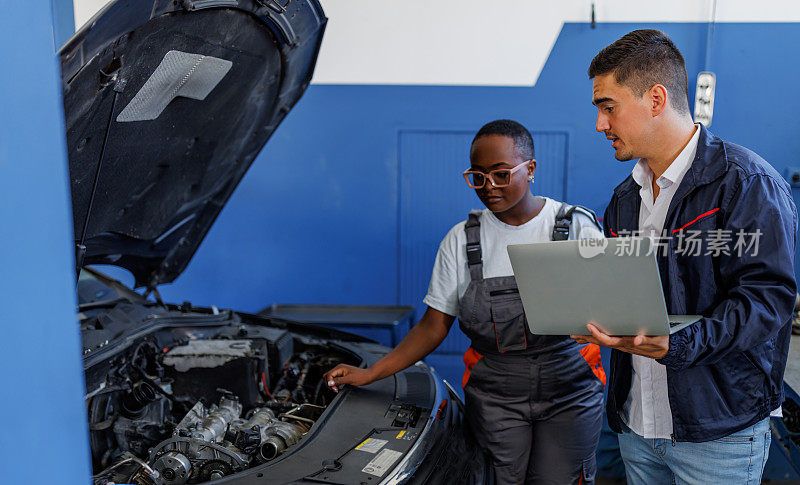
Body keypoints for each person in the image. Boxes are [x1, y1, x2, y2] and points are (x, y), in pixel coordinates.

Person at [324, 119, 607, 484]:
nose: (489, 187)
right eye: (478, 176)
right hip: (495, 395)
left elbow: (611, 309)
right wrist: (371, 373)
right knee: (497, 478)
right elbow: (433, 326)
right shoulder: (461, 241)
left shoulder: (577, 228)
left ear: (531, 169)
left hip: (570, 388)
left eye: (502, 174)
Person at [573, 29, 798, 484]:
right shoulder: (624, 199)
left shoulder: (746, 185)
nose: (600, 124)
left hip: (719, 437)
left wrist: (676, 345)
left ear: (656, 98)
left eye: (607, 106)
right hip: (637, 426)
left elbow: (766, 304)